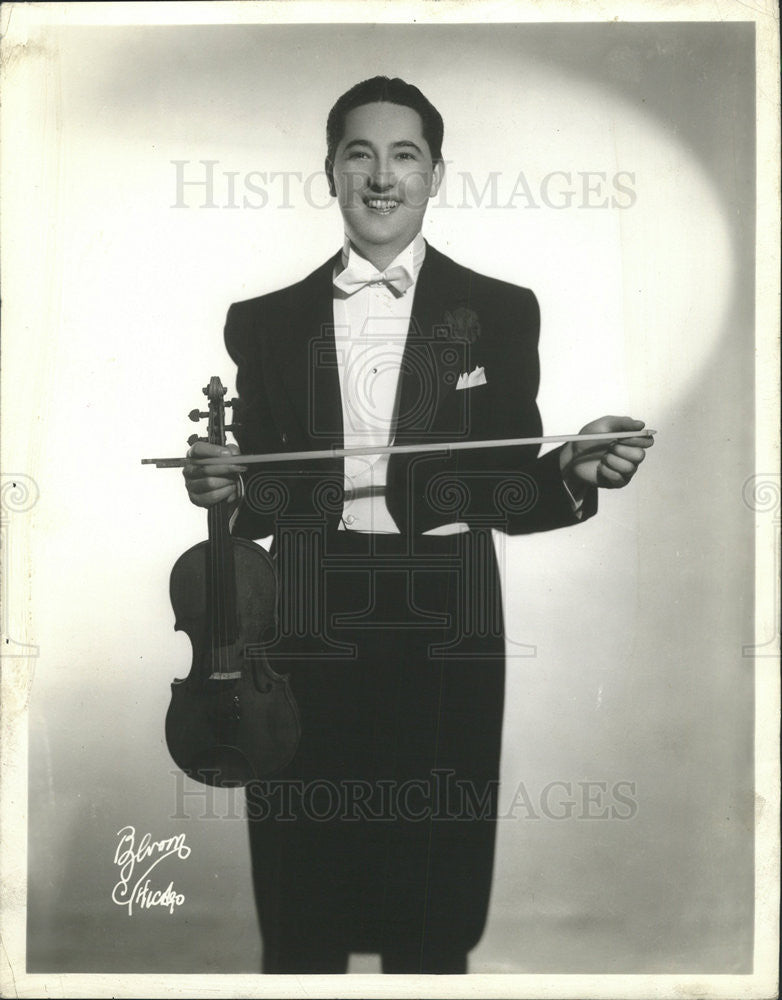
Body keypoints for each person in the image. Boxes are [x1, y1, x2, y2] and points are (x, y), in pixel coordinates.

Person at [184, 76, 653, 975]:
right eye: (359, 153)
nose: (381, 175)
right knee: (299, 905)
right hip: (304, 607)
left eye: (405, 155)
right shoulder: (265, 323)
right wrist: (223, 491)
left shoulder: (503, 311)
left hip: (448, 609)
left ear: (436, 173)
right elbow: (259, 490)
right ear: (329, 172)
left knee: (432, 909)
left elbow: (508, 483)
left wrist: (573, 472)